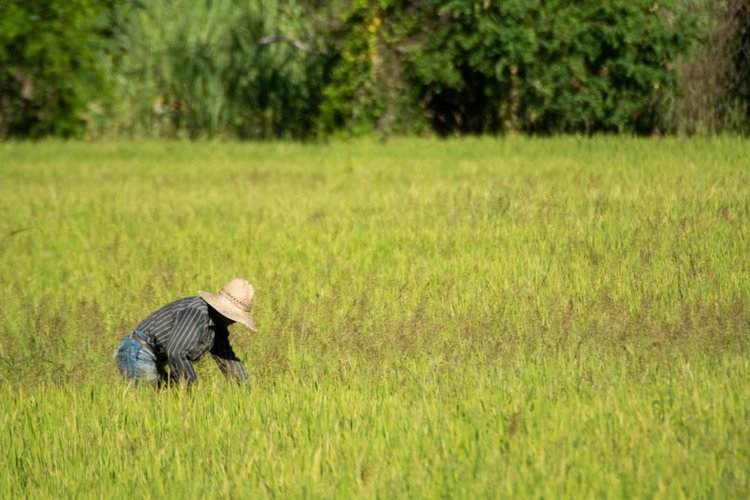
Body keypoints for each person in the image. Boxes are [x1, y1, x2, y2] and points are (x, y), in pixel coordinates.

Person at [114, 278, 257, 387]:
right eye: (233, 316)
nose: (235, 321)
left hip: (154, 355)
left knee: (164, 404)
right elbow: (176, 351)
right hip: (139, 351)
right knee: (147, 405)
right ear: (223, 311)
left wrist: (246, 389)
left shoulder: (218, 327)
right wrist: (189, 386)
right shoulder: (197, 312)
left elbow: (227, 359)